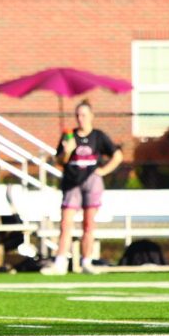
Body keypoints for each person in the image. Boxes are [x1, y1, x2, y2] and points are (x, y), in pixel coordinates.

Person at [40, 100, 122, 276]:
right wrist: (68, 151)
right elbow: (59, 161)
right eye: (77, 115)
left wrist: (103, 171)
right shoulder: (69, 136)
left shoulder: (98, 136)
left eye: (84, 115)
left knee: (88, 224)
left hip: (92, 181)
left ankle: (87, 261)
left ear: (91, 116)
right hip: (72, 182)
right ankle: (60, 262)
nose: (80, 118)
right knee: (66, 223)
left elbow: (117, 155)